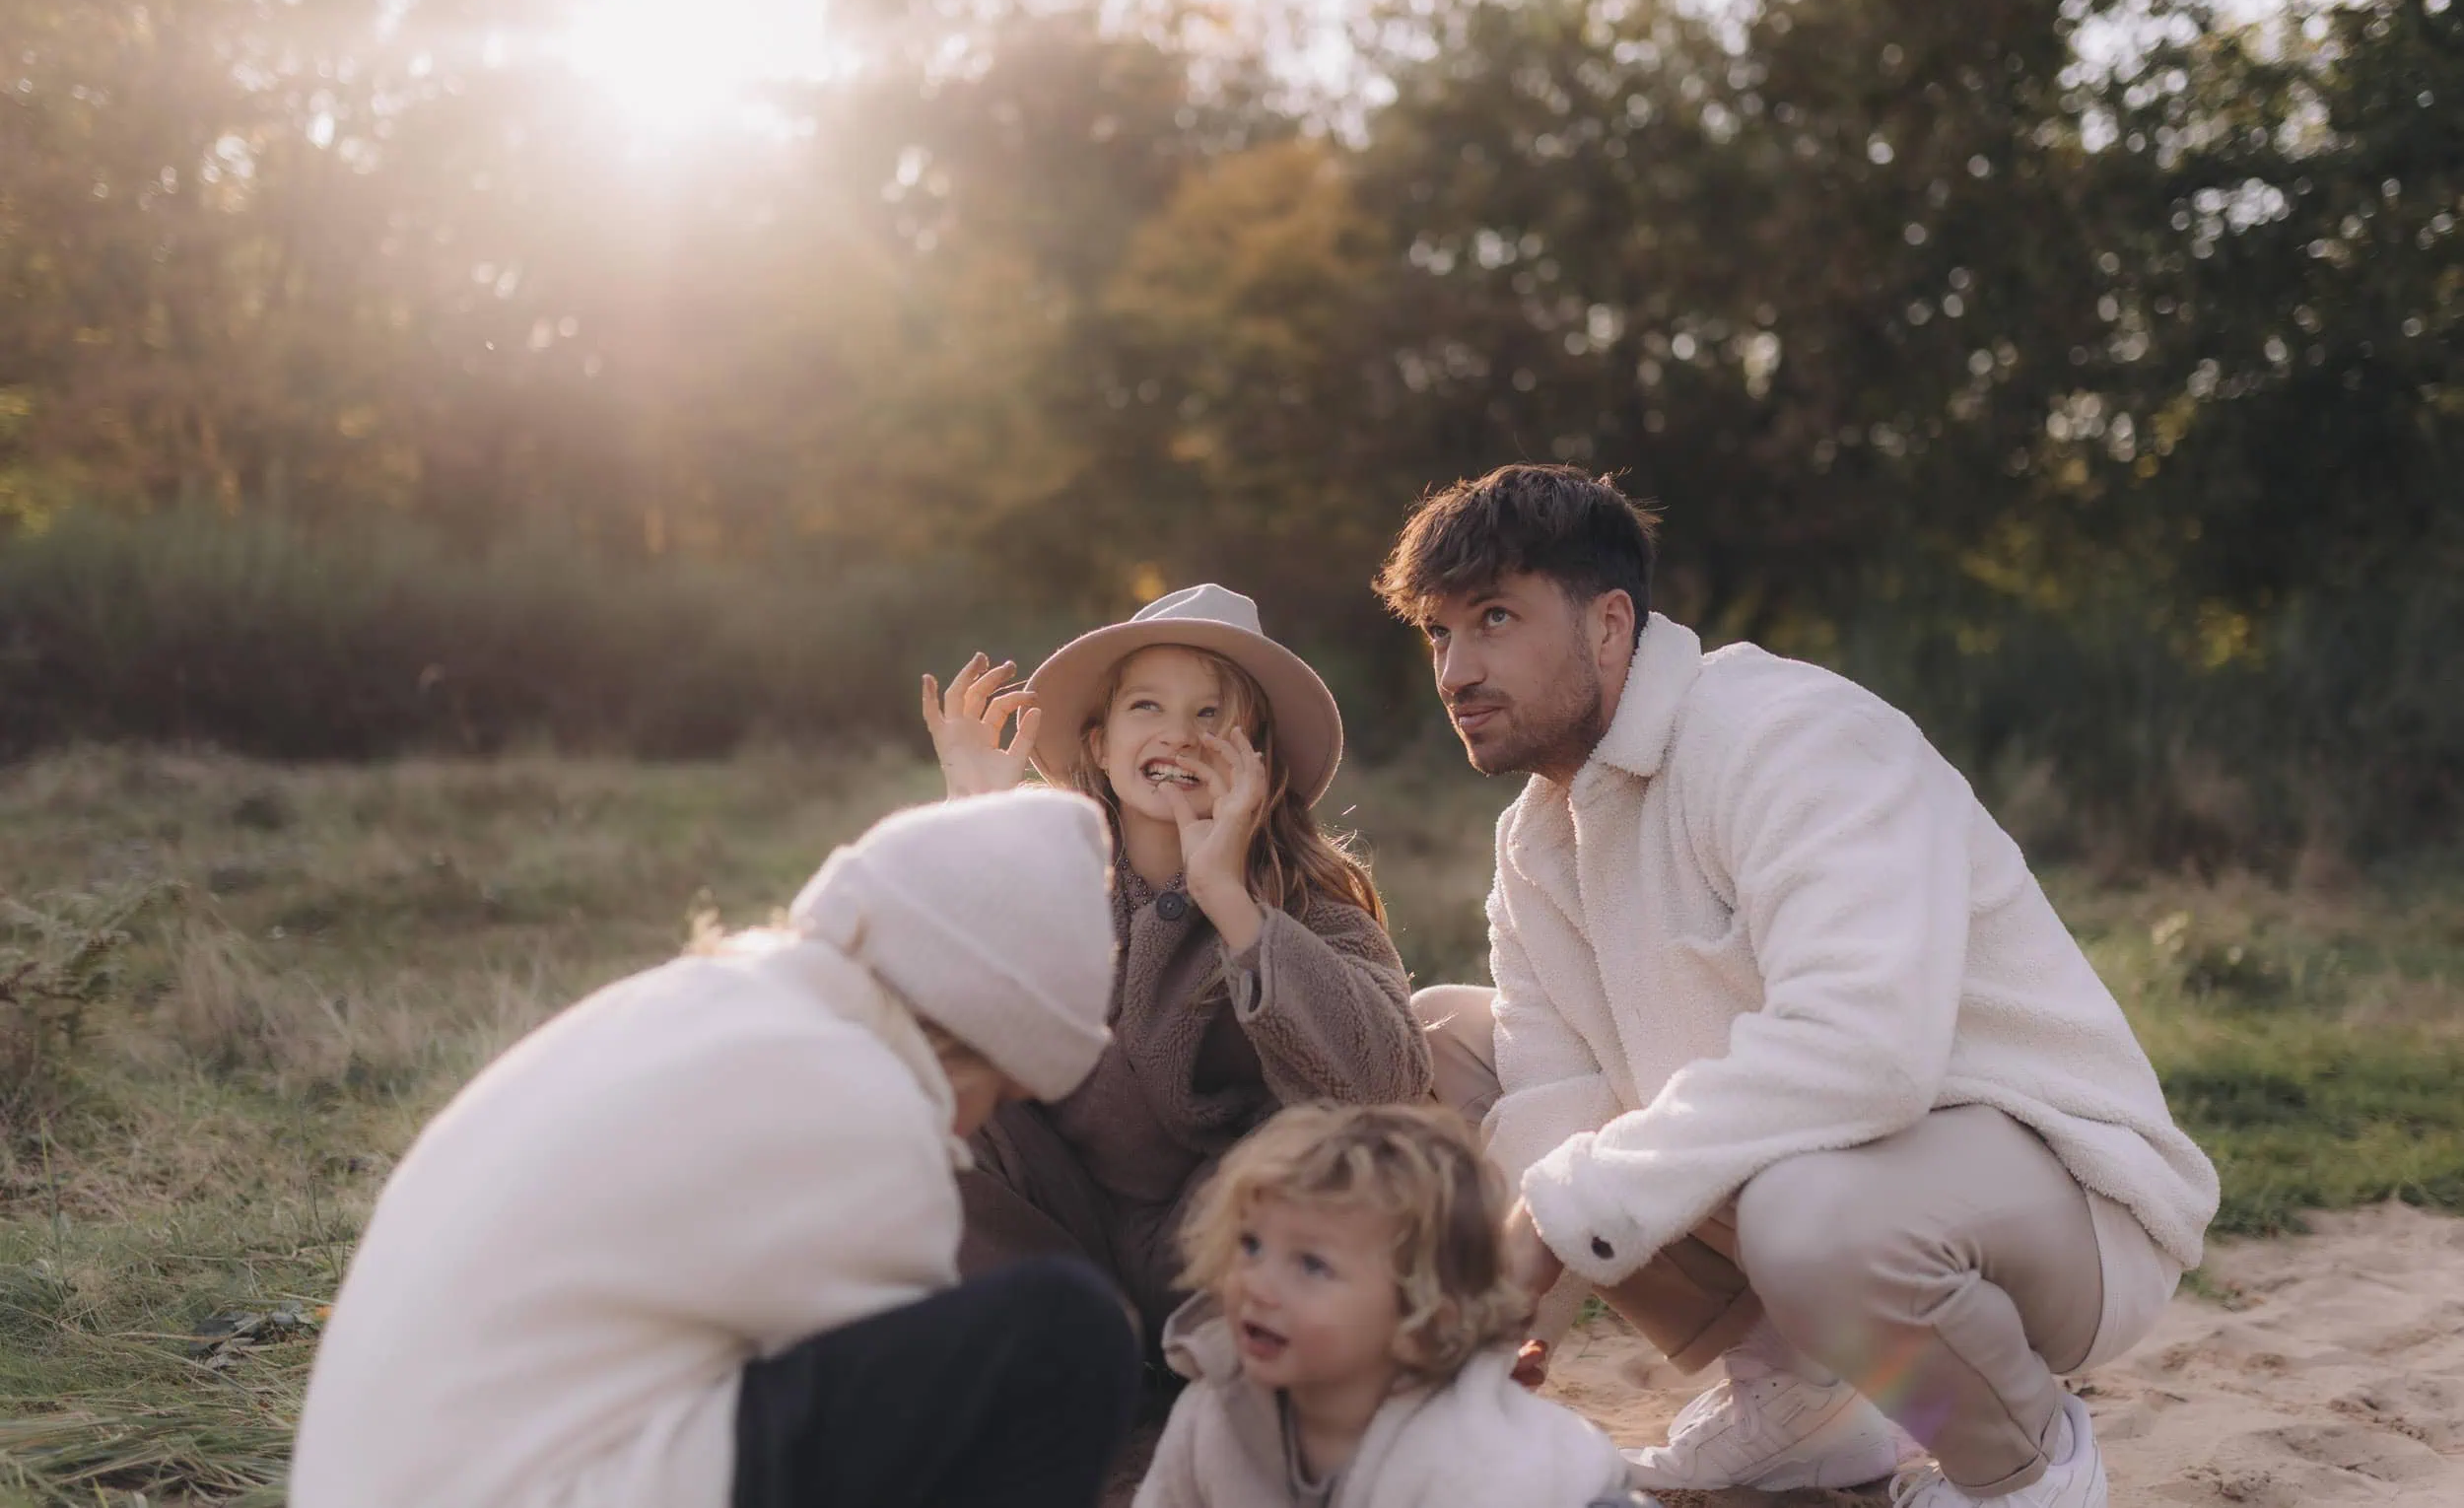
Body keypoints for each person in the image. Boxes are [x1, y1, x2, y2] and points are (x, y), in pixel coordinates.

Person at [1373, 466, 2220, 1508]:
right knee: (1434, 1042)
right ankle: (1805, 1402)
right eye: (1438, 633)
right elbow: (1554, 1096)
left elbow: (1863, 1051)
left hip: (2063, 1198)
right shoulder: (1534, 838)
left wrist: (1551, 1223)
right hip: (1833, 1180)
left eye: (1494, 618)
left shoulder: (1790, 733)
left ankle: (2027, 1463)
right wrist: (1518, 1307)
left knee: (1809, 1213)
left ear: (1607, 624)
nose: (1456, 668)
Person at [291, 789, 1139, 1508]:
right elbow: (925, 1447)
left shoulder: (691, 1001)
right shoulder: (860, 1105)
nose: (968, 1131)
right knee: (1066, 1335)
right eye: (994, 1095)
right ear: (969, 1036)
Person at [922, 583, 1433, 1351]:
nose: (1181, 736)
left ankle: (1211, 1360)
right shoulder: (1047, 872)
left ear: (1257, 758)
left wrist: (1228, 899)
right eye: (1147, 708)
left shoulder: (1307, 902)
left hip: (1224, 1246)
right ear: (1098, 743)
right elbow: (924, 1017)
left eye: (1212, 715)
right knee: (917, 1097)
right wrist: (977, 824)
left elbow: (1386, 1079)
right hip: (1058, 1233)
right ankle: (1061, 1349)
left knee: (1335, 1145)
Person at [1132, 1102, 1642, 1508]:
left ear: (1419, 1317)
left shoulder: (1466, 1459)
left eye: (1311, 1265)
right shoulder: (1217, 1407)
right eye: (1251, 1246)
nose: (1259, 1285)